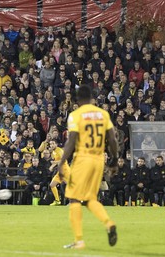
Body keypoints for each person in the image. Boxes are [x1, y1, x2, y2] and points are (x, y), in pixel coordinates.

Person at [58, 84, 118, 250]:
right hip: (99, 159)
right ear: (92, 98)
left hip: (83, 158)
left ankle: (79, 240)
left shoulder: (75, 115)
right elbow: (112, 139)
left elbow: (71, 141)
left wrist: (61, 161)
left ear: (77, 99)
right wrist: (114, 158)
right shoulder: (103, 114)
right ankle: (109, 223)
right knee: (90, 199)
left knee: (74, 198)